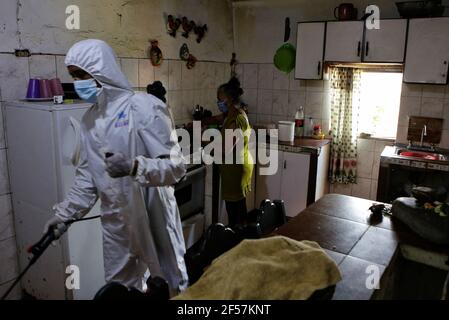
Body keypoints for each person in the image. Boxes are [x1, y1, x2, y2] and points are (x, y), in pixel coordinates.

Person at [43, 39, 189, 294]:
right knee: (119, 290)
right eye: (73, 76)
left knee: (169, 286)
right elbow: (86, 179)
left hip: (152, 215)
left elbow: (176, 168)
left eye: (81, 75)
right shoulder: (89, 121)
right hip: (116, 221)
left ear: (100, 70)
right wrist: (65, 214)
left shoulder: (143, 107)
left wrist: (135, 166)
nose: (77, 83)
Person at [217, 77, 254, 228]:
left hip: (235, 170)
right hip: (241, 165)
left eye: (220, 100)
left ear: (229, 100)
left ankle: (235, 243)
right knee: (240, 209)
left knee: (234, 214)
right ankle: (244, 239)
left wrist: (206, 144)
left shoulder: (234, 120)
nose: (218, 103)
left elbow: (226, 148)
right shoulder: (238, 113)